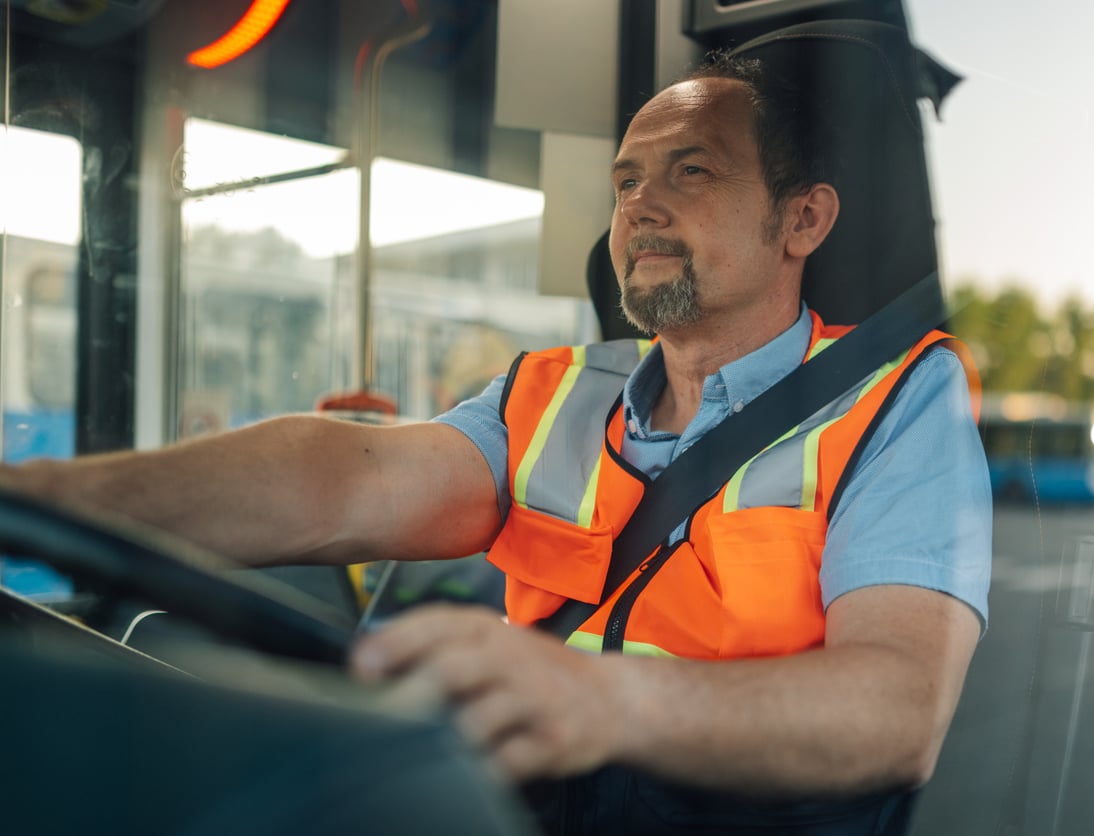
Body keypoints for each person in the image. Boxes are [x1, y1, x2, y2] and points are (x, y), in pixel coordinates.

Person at [6, 53, 991, 835]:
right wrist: (39, 497)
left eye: (690, 172)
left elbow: (899, 708)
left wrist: (602, 698)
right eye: (626, 180)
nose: (639, 206)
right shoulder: (550, 390)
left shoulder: (899, 399)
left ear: (803, 216)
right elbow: (339, 479)